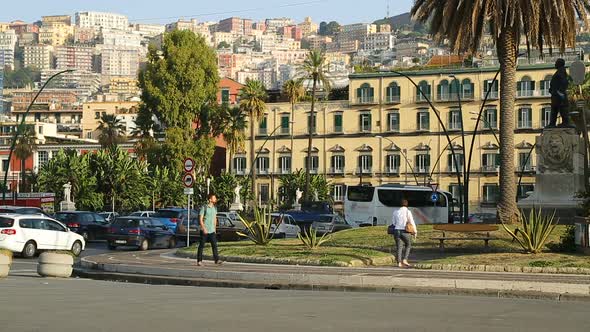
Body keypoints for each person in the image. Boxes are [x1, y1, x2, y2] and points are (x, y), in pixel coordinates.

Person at [196, 193, 222, 266]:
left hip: (212, 230)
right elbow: (200, 219)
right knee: (201, 245)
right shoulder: (204, 207)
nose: (215, 199)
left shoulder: (214, 208)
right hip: (205, 230)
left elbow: (215, 218)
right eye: (214, 198)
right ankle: (199, 261)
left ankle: (216, 260)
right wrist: (204, 228)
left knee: (214, 245)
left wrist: (215, 228)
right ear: (210, 199)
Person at [390, 199, 417, 268]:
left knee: (399, 247)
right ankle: (405, 259)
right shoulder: (408, 212)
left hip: (396, 231)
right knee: (408, 244)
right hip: (405, 231)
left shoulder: (395, 212)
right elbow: (412, 222)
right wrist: (415, 231)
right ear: (407, 204)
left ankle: (399, 262)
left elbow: (393, 223)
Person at [547, 58, 572, 128]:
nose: (555, 64)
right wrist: (552, 89)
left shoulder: (561, 71)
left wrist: (560, 91)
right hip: (556, 94)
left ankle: (563, 123)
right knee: (556, 108)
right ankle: (554, 123)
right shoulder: (561, 71)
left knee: (560, 108)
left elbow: (564, 82)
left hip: (558, 95)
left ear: (559, 64)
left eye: (556, 63)